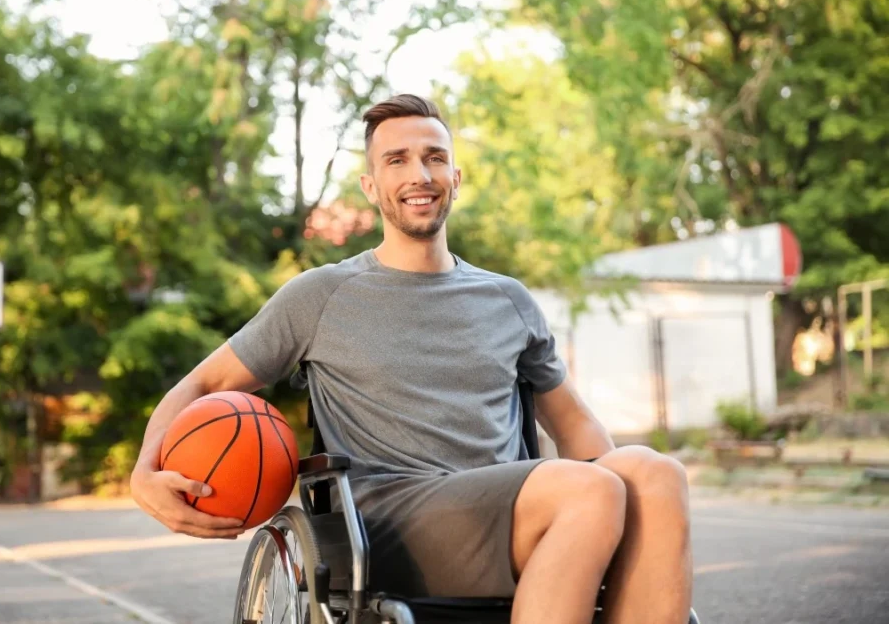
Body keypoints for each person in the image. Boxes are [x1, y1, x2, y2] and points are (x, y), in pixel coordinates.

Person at [131, 94, 692, 624]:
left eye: (434, 158)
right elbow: (204, 383)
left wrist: (623, 512)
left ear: (455, 178)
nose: (419, 175)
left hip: (511, 501)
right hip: (388, 524)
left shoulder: (507, 299)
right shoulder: (321, 295)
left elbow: (577, 428)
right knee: (590, 491)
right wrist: (144, 474)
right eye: (397, 160)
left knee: (658, 475)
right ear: (372, 186)